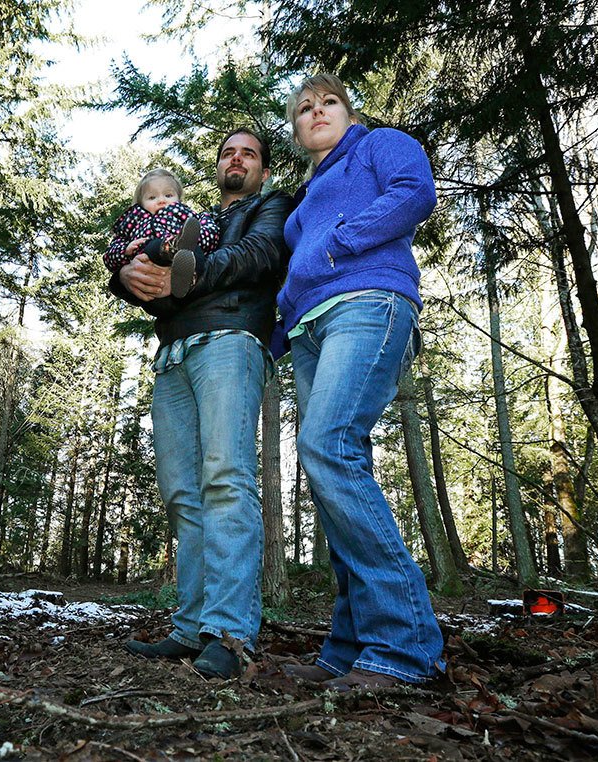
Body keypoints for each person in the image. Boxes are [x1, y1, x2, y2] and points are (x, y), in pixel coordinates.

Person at [277, 73, 445, 692]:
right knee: (329, 476)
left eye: (329, 102)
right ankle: (348, 647)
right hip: (310, 330)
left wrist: (339, 243)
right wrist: (280, 329)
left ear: (349, 114)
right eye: (304, 109)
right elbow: (294, 272)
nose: (317, 112)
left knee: (329, 446)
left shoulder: (380, 145)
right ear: (296, 130)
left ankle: (406, 648)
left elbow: (413, 193)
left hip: (369, 302)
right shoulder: (303, 199)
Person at [115, 129, 292, 679]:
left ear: (262, 168)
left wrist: (184, 274)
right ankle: (191, 627)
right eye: (226, 153)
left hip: (231, 339)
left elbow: (261, 256)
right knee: (182, 494)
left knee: (225, 479)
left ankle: (231, 633)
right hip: (173, 353)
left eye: (249, 153)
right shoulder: (180, 221)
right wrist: (127, 276)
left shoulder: (271, 206)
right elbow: (142, 274)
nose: (236, 160)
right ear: (217, 166)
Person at [103, 168, 221, 298]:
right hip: (149, 270)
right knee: (153, 245)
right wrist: (124, 251)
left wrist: (197, 239)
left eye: (168, 195)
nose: (161, 200)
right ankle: (170, 247)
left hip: (182, 272)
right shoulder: (132, 223)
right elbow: (109, 256)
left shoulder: (186, 215)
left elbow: (211, 232)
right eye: (152, 197)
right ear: (141, 204)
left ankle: (185, 280)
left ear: (179, 198)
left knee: (195, 253)